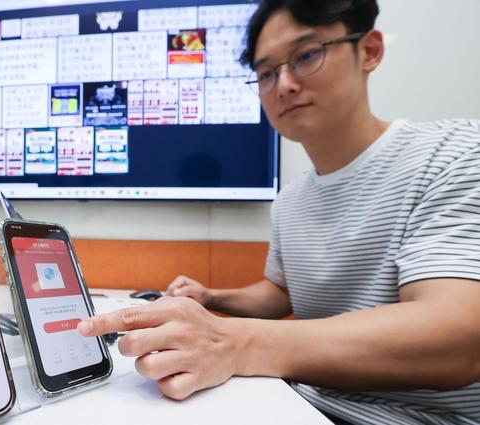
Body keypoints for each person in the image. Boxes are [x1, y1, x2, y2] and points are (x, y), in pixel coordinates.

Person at [78, 1, 480, 423]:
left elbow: (457, 341)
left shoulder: (454, 155)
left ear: (369, 51)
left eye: (306, 56)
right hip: (305, 401)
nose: (284, 84)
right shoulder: (291, 200)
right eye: (266, 72)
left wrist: (234, 341)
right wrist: (212, 297)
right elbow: (282, 293)